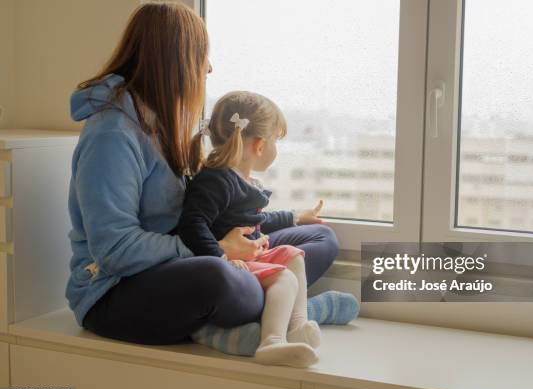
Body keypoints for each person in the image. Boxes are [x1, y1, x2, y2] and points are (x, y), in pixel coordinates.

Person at [65, 2, 358, 353]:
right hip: (118, 291)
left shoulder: (163, 123)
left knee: (318, 238)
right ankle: (295, 314)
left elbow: (202, 213)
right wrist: (217, 249)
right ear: (177, 63)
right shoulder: (112, 134)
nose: (209, 67)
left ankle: (278, 314)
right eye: (202, 56)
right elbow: (115, 251)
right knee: (220, 278)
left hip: (188, 255)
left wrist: (235, 240)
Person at [178, 91, 325, 367]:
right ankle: (272, 342)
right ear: (259, 145)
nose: (275, 149)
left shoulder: (240, 179)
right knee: (285, 279)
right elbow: (192, 223)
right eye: (276, 142)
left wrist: (295, 217)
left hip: (250, 254)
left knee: (293, 255)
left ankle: (297, 326)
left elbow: (256, 220)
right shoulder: (216, 181)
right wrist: (223, 258)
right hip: (232, 263)